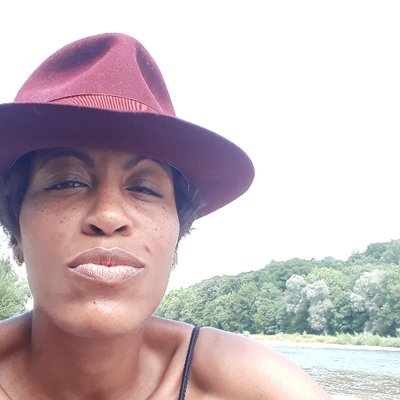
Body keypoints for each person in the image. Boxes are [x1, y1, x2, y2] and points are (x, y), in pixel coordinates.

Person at [0, 33, 331, 399]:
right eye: (67, 182)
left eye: (144, 188)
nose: (108, 215)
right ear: (16, 234)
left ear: (176, 241)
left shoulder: (257, 388)